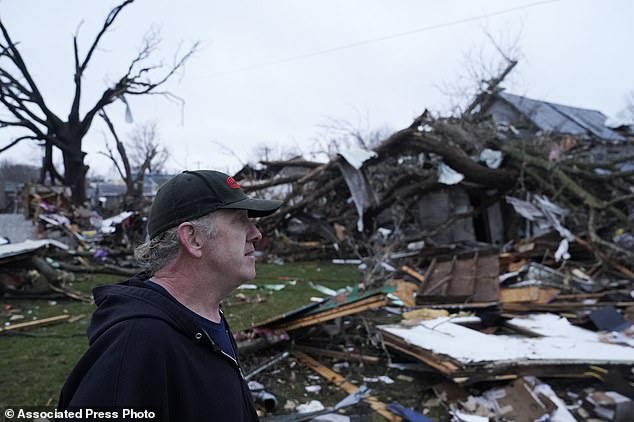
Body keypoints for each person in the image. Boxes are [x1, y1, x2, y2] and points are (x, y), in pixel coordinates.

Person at [57, 170, 282, 421]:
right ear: (193, 238)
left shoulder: (204, 318)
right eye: (240, 221)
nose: (256, 233)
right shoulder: (137, 342)